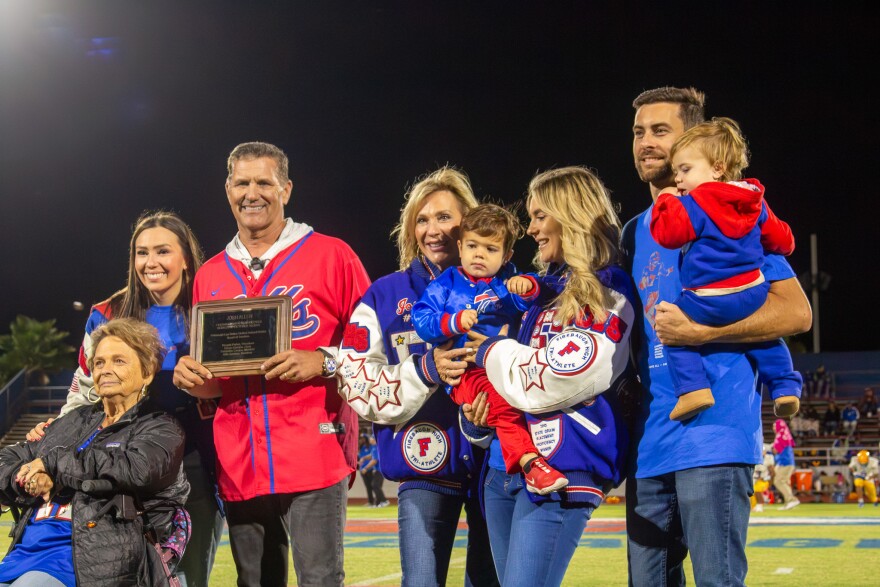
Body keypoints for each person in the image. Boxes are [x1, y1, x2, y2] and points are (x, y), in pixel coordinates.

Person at [623, 86, 812, 586]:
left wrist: (704, 328)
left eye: (661, 130)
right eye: (639, 131)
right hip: (651, 442)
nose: (646, 142)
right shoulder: (633, 232)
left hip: (715, 435)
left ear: (697, 140)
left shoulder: (735, 214)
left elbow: (795, 313)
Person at [172, 141, 371, 587]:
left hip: (314, 448)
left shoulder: (333, 255)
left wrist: (322, 360)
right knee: (254, 583)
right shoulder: (211, 274)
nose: (252, 192)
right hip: (239, 453)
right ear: (228, 190)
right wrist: (192, 378)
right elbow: (215, 382)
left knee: (320, 578)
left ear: (286, 189)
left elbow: (375, 348)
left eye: (264, 182)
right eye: (242, 182)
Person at [25, 211, 223, 587]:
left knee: (188, 576)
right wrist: (56, 434)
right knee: (116, 573)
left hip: (195, 461)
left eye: (163, 251)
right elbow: (84, 390)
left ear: (185, 258)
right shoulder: (107, 313)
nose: (151, 263)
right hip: (119, 459)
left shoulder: (212, 310)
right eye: (141, 252)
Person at [461, 166, 635, 586]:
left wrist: (485, 349)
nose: (532, 228)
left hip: (562, 469)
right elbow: (508, 389)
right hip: (503, 469)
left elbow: (550, 379)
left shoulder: (607, 288)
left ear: (571, 214)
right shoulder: (543, 292)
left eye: (541, 215)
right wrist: (478, 419)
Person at [336, 166, 499, 586]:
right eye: (422, 219)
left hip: (496, 466)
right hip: (422, 465)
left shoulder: (506, 289)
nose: (433, 230)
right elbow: (354, 381)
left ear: (469, 220)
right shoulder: (384, 295)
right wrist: (426, 369)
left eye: (445, 217)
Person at [0, 319, 189, 586]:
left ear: (147, 372)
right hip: (22, 556)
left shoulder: (161, 427)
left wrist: (53, 466)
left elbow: (136, 468)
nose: (105, 370)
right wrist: (25, 482)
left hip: (88, 561)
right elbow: (9, 458)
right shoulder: (72, 421)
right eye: (99, 363)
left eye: (119, 361)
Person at [650, 117, 802, 421]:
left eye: (685, 170)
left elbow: (668, 234)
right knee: (765, 336)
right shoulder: (755, 200)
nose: (677, 179)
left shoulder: (696, 204)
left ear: (717, 168)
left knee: (672, 328)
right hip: (754, 291)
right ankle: (785, 386)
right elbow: (783, 241)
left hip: (708, 298)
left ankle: (693, 389)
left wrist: (666, 200)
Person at [411, 203, 567, 494]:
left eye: (490, 249)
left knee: (519, 404)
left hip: (506, 367)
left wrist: (528, 286)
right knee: (502, 405)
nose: (479, 254)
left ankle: (532, 463)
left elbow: (526, 299)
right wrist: (453, 321)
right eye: (472, 245)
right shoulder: (447, 283)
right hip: (465, 370)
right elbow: (422, 319)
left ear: (506, 255)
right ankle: (531, 464)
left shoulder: (505, 281)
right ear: (459, 246)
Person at [772, 418, 800, 510]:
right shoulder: (786, 434)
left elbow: (776, 450)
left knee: (778, 481)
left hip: (785, 463)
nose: (773, 428)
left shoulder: (780, 435)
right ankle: (789, 502)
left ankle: (791, 500)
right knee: (784, 482)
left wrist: (768, 450)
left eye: (774, 425)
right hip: (788, 463)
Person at [751, 443, 775, 512]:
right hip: (755, 479)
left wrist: (768, 480)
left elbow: (772, 473)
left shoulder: (768, 458)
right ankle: (754, 506)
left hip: (764, 479)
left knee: (756, 489)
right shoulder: (754, 458)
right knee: (751, 492)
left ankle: (760, 504)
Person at [357, 434, 377, 507]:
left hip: (370, 469)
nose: (361, 440)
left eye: (363, 439)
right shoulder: (361, 448)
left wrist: (366, 467)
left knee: (374, 486)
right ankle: (370, 501)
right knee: (368, 487)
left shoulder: (372, 447)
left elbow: (372, 457)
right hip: (362, 469)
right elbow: (361, 458)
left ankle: (377, 501)